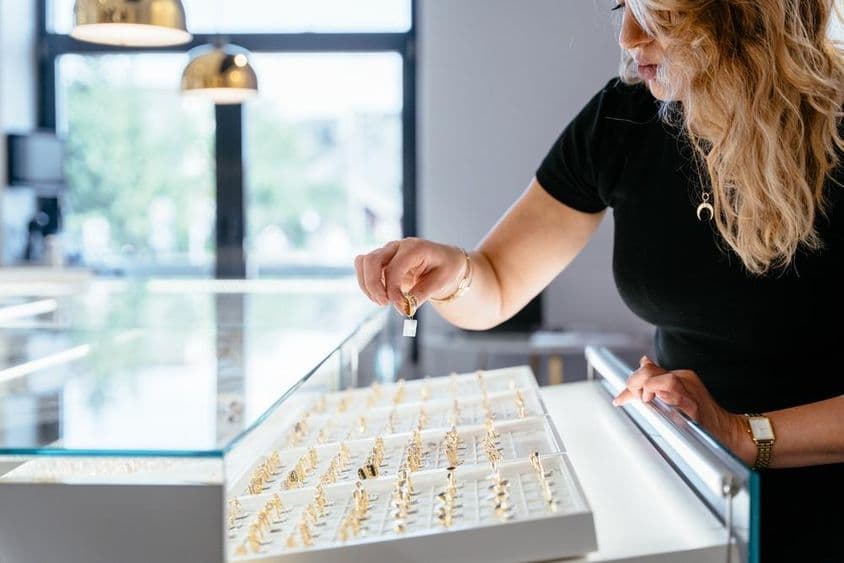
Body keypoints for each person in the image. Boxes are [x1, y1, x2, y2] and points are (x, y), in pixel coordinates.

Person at [355, 1, 843, 561]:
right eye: (624, 8)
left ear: (747, 17)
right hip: (692, 493)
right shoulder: (624, 119)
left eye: (662, 17)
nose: (631, 39)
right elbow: (496, 282)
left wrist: (739, 434)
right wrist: (453, 273)